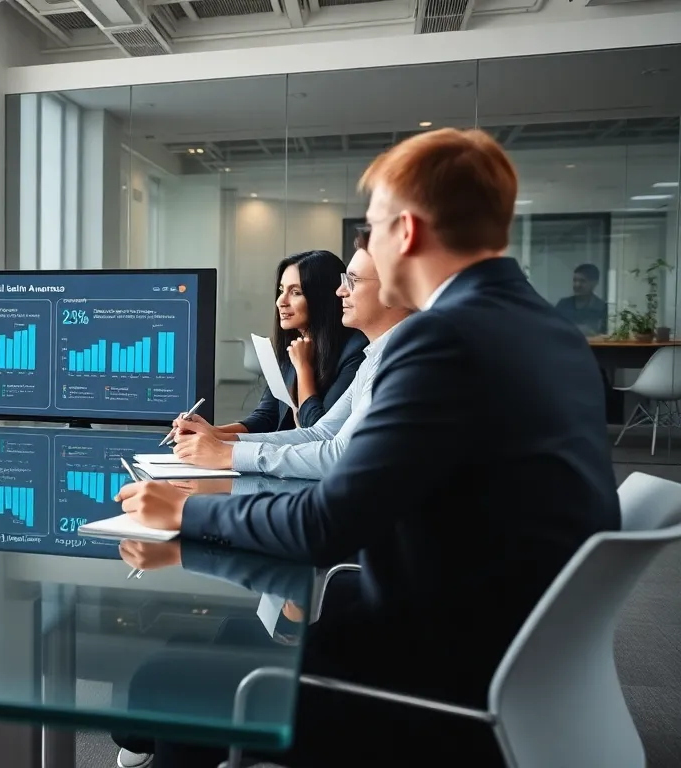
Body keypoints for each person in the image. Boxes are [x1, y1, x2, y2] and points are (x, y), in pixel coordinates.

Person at [114, 128, 620, 766]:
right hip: (513, 664)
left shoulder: (441, 339)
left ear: (404, 232)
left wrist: (184, 512)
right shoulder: (555, 333)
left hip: (427, 687)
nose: (364, 250)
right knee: (191, 667)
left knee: (165, 684)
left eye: (371, 229)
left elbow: (328, 521)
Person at [170, 239, 413, 480]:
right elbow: (321, 432)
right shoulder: (375, 355)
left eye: (353, 280)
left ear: (393, 289)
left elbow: (339, 454)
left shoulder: (395, 359)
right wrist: (219, 439)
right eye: (281, 291)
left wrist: (229, 454)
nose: (341, 291)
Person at [216, 250, 366, 435]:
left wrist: (304, 369)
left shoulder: (356, 352)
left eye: (295, 292)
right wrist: (211, 432)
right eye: (281, 290)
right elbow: (265, 418)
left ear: (323, 298)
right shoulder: (292, 345)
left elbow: (316, 432)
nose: (281, 301)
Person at [555, 262, 609, 336]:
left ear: (594, 283)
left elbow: (604, 335)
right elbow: (553, 328)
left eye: (582, 281)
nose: (577, 285)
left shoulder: (602, 307)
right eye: (575, 280)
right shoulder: (563, 304)